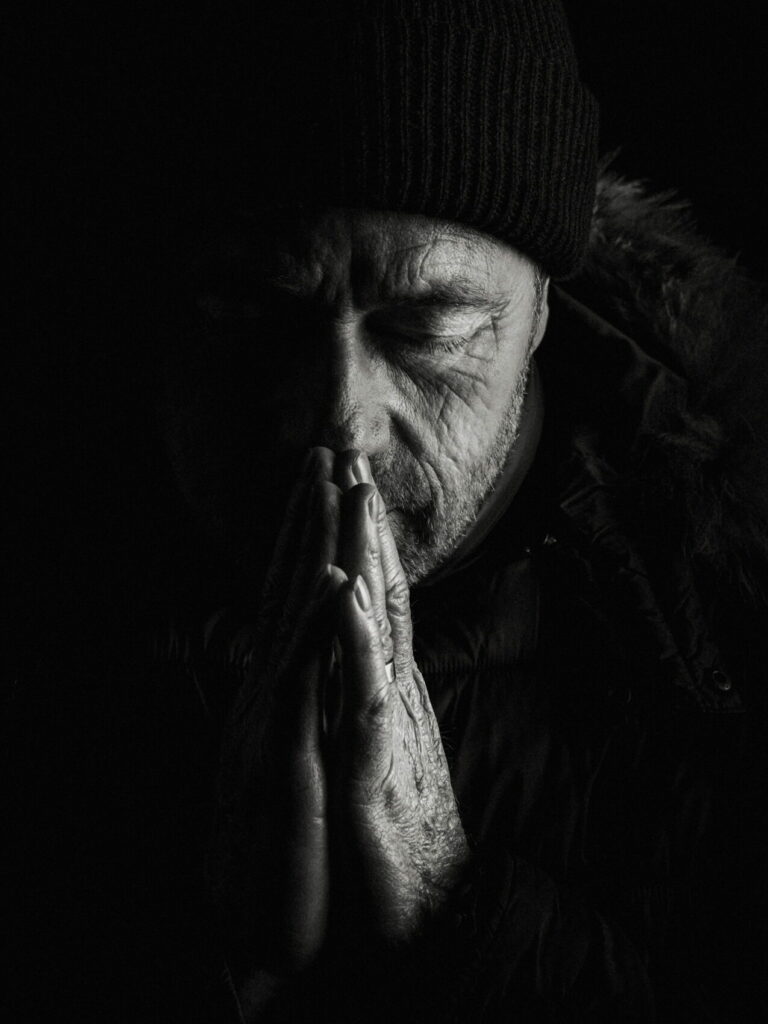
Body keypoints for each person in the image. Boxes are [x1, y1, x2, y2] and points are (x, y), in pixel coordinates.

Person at [7, 1, 768, 1021]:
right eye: (253, 314)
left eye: (427, 328)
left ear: (542, 307)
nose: (341, 418)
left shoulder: (730, 597)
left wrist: (460, 909)